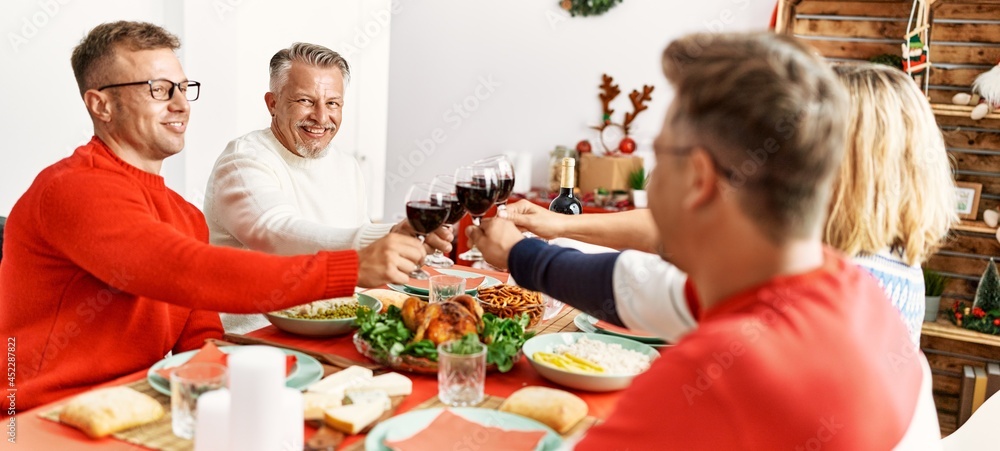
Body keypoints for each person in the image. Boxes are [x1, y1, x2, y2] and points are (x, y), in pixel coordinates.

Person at [471, 32, 939, 448]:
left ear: (698, 178)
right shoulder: (850, 292)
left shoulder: (723, 376)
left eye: (659, 156)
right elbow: (636, 289)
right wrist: (520, 254)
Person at [0, 21, 424, 412]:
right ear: (101, 105)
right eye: (158, 89)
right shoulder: (74, 188)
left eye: (184, 88)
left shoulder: (184, 215)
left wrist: (248, 390)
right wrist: (352, 267)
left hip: (137, 404)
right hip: (37, 416)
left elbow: (200, 337)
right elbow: (186, 269)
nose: (181, 104)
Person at [487, 63, 956, 346]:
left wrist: (522, 255)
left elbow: (649, 288)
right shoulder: (887, 264)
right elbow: (678, 235)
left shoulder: (813, 282)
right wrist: (559, 226)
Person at [203, 42, 450, 333]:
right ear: (272, 103)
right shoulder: (242, 162)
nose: (321, 117)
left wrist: (400, 234)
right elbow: (279, 233)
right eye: (305, 101)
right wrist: (379, 237)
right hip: (255, 338)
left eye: (332, 103)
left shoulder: (347, 165)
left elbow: (364, 254)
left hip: (337, 328)